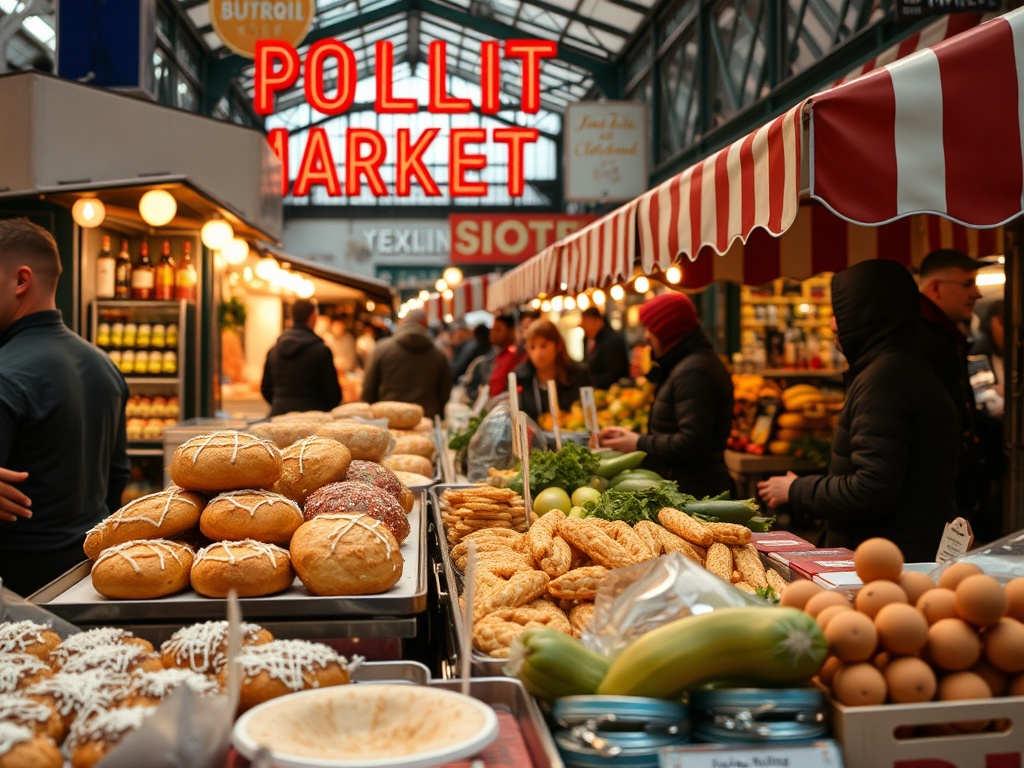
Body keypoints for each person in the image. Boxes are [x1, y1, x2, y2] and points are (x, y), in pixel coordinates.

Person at [758, 260, 960, 562]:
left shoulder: (884, 381)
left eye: (841, 313)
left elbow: (872, 488)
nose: (832, 325)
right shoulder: (902, 368)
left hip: (888, 563)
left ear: (867, 316)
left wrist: (797, 489)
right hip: (901, 554)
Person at [0, 217, 130, 596]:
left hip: (17, 592)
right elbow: (116, 477)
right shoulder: (104, 366)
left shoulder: (6, 373)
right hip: (85, 580)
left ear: (21, 281)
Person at [598, 292, 735, 499]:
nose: (646, 337)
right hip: (687, 487)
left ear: (667, 331)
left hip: (696, 493)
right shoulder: (685, 365)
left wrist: (638, 443)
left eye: (649, 329)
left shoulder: (694, 372)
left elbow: (692, 443)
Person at [917, 249, 993, 533]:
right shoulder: (924, 339)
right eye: (967, 283)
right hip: (939, 495)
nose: (977, 293)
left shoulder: (943, 334)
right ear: (936, 288)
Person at [362, 308, 452, 418]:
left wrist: (373, 417)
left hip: (388, 418)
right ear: (425, 323)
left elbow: (368, 389)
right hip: (425, 419)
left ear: (403, 322)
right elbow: (445, 391)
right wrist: (439, 414)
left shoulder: (381, 349)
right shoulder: (439, 353)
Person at [261, 298, 342, 416]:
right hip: (313, 420)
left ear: (292, 317)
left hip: (278, 417)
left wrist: (281, 404)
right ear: (312, 317)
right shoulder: (321, 351)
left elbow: (265, 389)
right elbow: (333, 395)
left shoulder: (274, 350)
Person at [513, 320, 591, 422]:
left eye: (543, 346)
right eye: (532, 347)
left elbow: (590, 414)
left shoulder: (579, 375)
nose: (538, 353)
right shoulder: (520, 378)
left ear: (558, 345)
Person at [579, 306, 630, 389]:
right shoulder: (588, 339)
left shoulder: (613, 341)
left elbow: (614, 374)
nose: (583, 325)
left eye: (586, 321)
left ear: (598, 321)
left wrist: (589, 382)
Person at [486, 313, 525, 398]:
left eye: (498, 330)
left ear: (512, 331)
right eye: (492, 329)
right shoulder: (495, 355)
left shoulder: (518, 355)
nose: (493, 333)